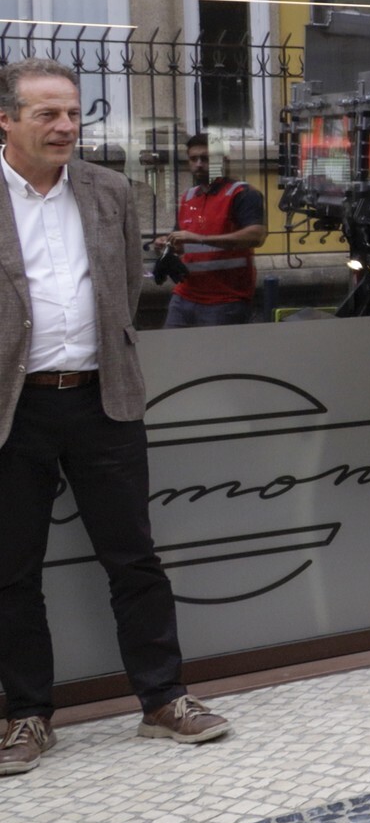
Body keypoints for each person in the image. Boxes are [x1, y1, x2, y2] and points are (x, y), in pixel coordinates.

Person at [0, 58, 229, 777]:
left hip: (103, 398)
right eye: (47, 114)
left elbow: (125, 286)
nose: (66, 126)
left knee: (133, 557)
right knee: (11, 570)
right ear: (5, 119)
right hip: (13, 408)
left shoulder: (109, 190)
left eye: (72, 113)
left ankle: (163, 698)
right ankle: (28, 715)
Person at [158, 133, 267, 327]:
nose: (199, 164)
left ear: (222, 161)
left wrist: (199, 238)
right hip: (185, 295)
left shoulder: (242, 193)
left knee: (216, 357)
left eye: (206, 158)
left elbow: (256, 236)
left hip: (225, 300)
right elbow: (182, 243)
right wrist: (167, 243)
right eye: (193, 159)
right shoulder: (188, 197)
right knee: (174, 352)